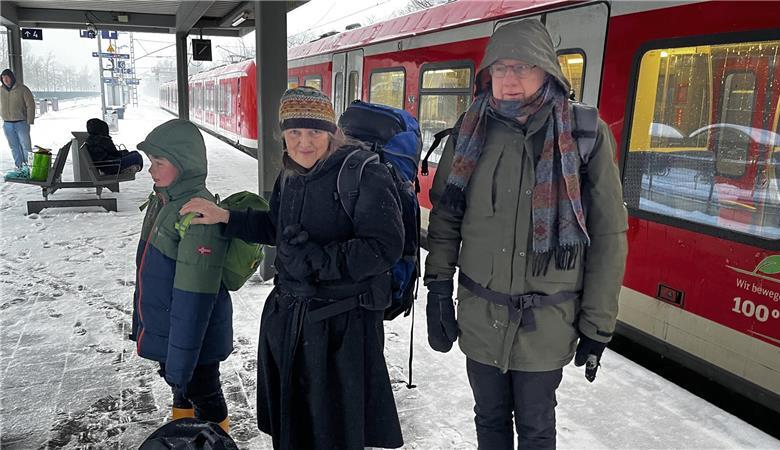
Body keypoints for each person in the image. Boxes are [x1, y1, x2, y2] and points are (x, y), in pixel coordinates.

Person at [424, 20, 628, 450]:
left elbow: (609, 235)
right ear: (487, 76)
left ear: (548, 73)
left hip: (545, 326)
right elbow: (446, 217)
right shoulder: (469, 130)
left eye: (523, 67)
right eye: (500, 69)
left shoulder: (585, 133)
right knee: (489, 420)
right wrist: (438, 289)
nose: (510, 79)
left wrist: (597, 327)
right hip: (481, 318)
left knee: (536, 429)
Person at [180, 86, 405, 449]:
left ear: (332, 133)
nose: (304, 142)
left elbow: (384, 247)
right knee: (295, 424)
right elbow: (276, 227)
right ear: (282, 133)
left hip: (340, 329)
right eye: (295, 131)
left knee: (333, 431)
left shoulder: (363, 175)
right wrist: (226, 217)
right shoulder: (289, 175)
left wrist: (319, 260)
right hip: (291, 318)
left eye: (315, 131)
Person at [131, 119, 232, 433]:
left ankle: (217, 440)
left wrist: (179, 361)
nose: (151, 170)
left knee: (204, 392)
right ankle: (185, 434)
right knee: (183, 389)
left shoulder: (195, 213)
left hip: (193, 337)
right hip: (175, 334)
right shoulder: (166, 202)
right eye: (151, 162)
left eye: (159, 162)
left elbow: (194, 301)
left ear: (184, 165)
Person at [1, 68, 35, 178]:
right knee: (14, 147)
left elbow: (31, 105)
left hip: (21, 123)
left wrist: (29, 120)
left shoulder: (23, 89)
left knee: (25, 146)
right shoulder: (0, 91)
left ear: (12, 77)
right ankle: (19, 167)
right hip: (7, 124)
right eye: (3, 78)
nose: (5, 79)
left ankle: (29, 168)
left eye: (7, 77)